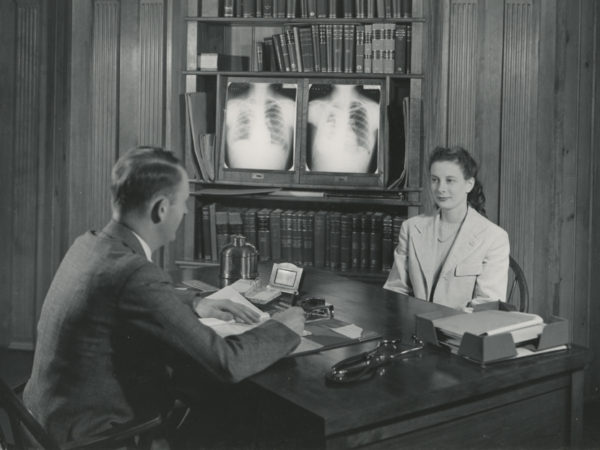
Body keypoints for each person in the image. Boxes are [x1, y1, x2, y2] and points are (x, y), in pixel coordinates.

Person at [23, 146, 305, 446]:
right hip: (91, 439)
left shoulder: (89, 244)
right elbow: (226, 362)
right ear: (160, 208)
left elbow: (116, 296)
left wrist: (196, 303)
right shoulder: (136, 275)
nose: (185, 211)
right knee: (236, 416)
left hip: (40, 423)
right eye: (183, 202)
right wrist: (283, 328)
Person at [384, 146, 510, 310]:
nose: (440, 188)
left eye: (450, 180)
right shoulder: (411, 228)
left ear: (469, 184)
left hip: (462, 331)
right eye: (435, 180)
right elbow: (395, 290)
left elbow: (487, 305)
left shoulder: (494, 237)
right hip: (415, 328)